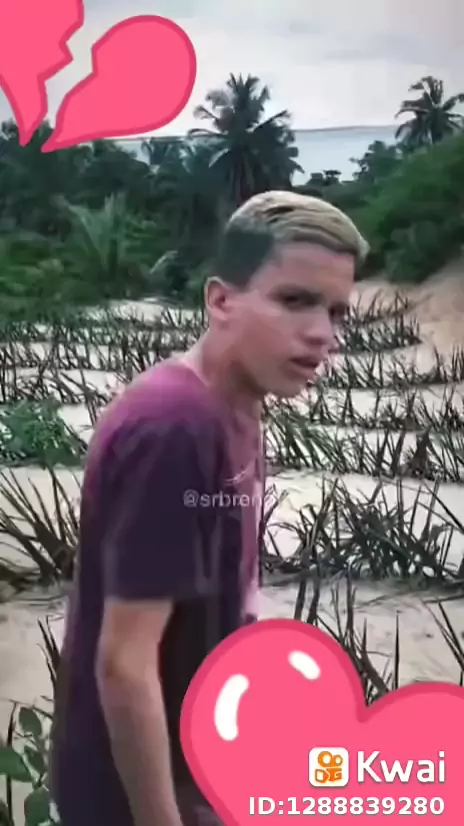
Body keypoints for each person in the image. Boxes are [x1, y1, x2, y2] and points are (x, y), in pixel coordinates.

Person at [50, 190, 369, 826]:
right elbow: (125, 663)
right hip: (140, 792)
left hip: (200, 760)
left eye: (335, 311)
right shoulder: (175, 426)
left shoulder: (237, 404)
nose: (322, 334)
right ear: (220, 300)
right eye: (295, 300)